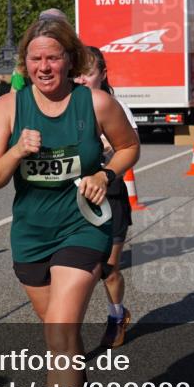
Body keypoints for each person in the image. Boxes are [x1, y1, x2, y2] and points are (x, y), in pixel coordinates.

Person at [0, 15, 140, 387]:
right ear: (24, 63)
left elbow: (129, 147)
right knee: (62, 343)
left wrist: (105, 175)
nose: (44, 66)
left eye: (53, 57)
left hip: (82, 227)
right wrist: (14, 153)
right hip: (30, 234)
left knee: (59, 331)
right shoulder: (9, 108)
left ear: (70, 60)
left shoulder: (95, 102)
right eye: (35, 58)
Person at [74, 47, 138, 350]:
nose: (82, 78)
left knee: (109, 269)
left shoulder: (114, 107)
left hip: (109, 195)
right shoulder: (65, 106)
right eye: (77, 72)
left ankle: (116, 315)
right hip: (72, 196)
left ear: (102, 73)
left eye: (88, 72)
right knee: (77, 269)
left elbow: (128, 150)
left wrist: (102, 151)